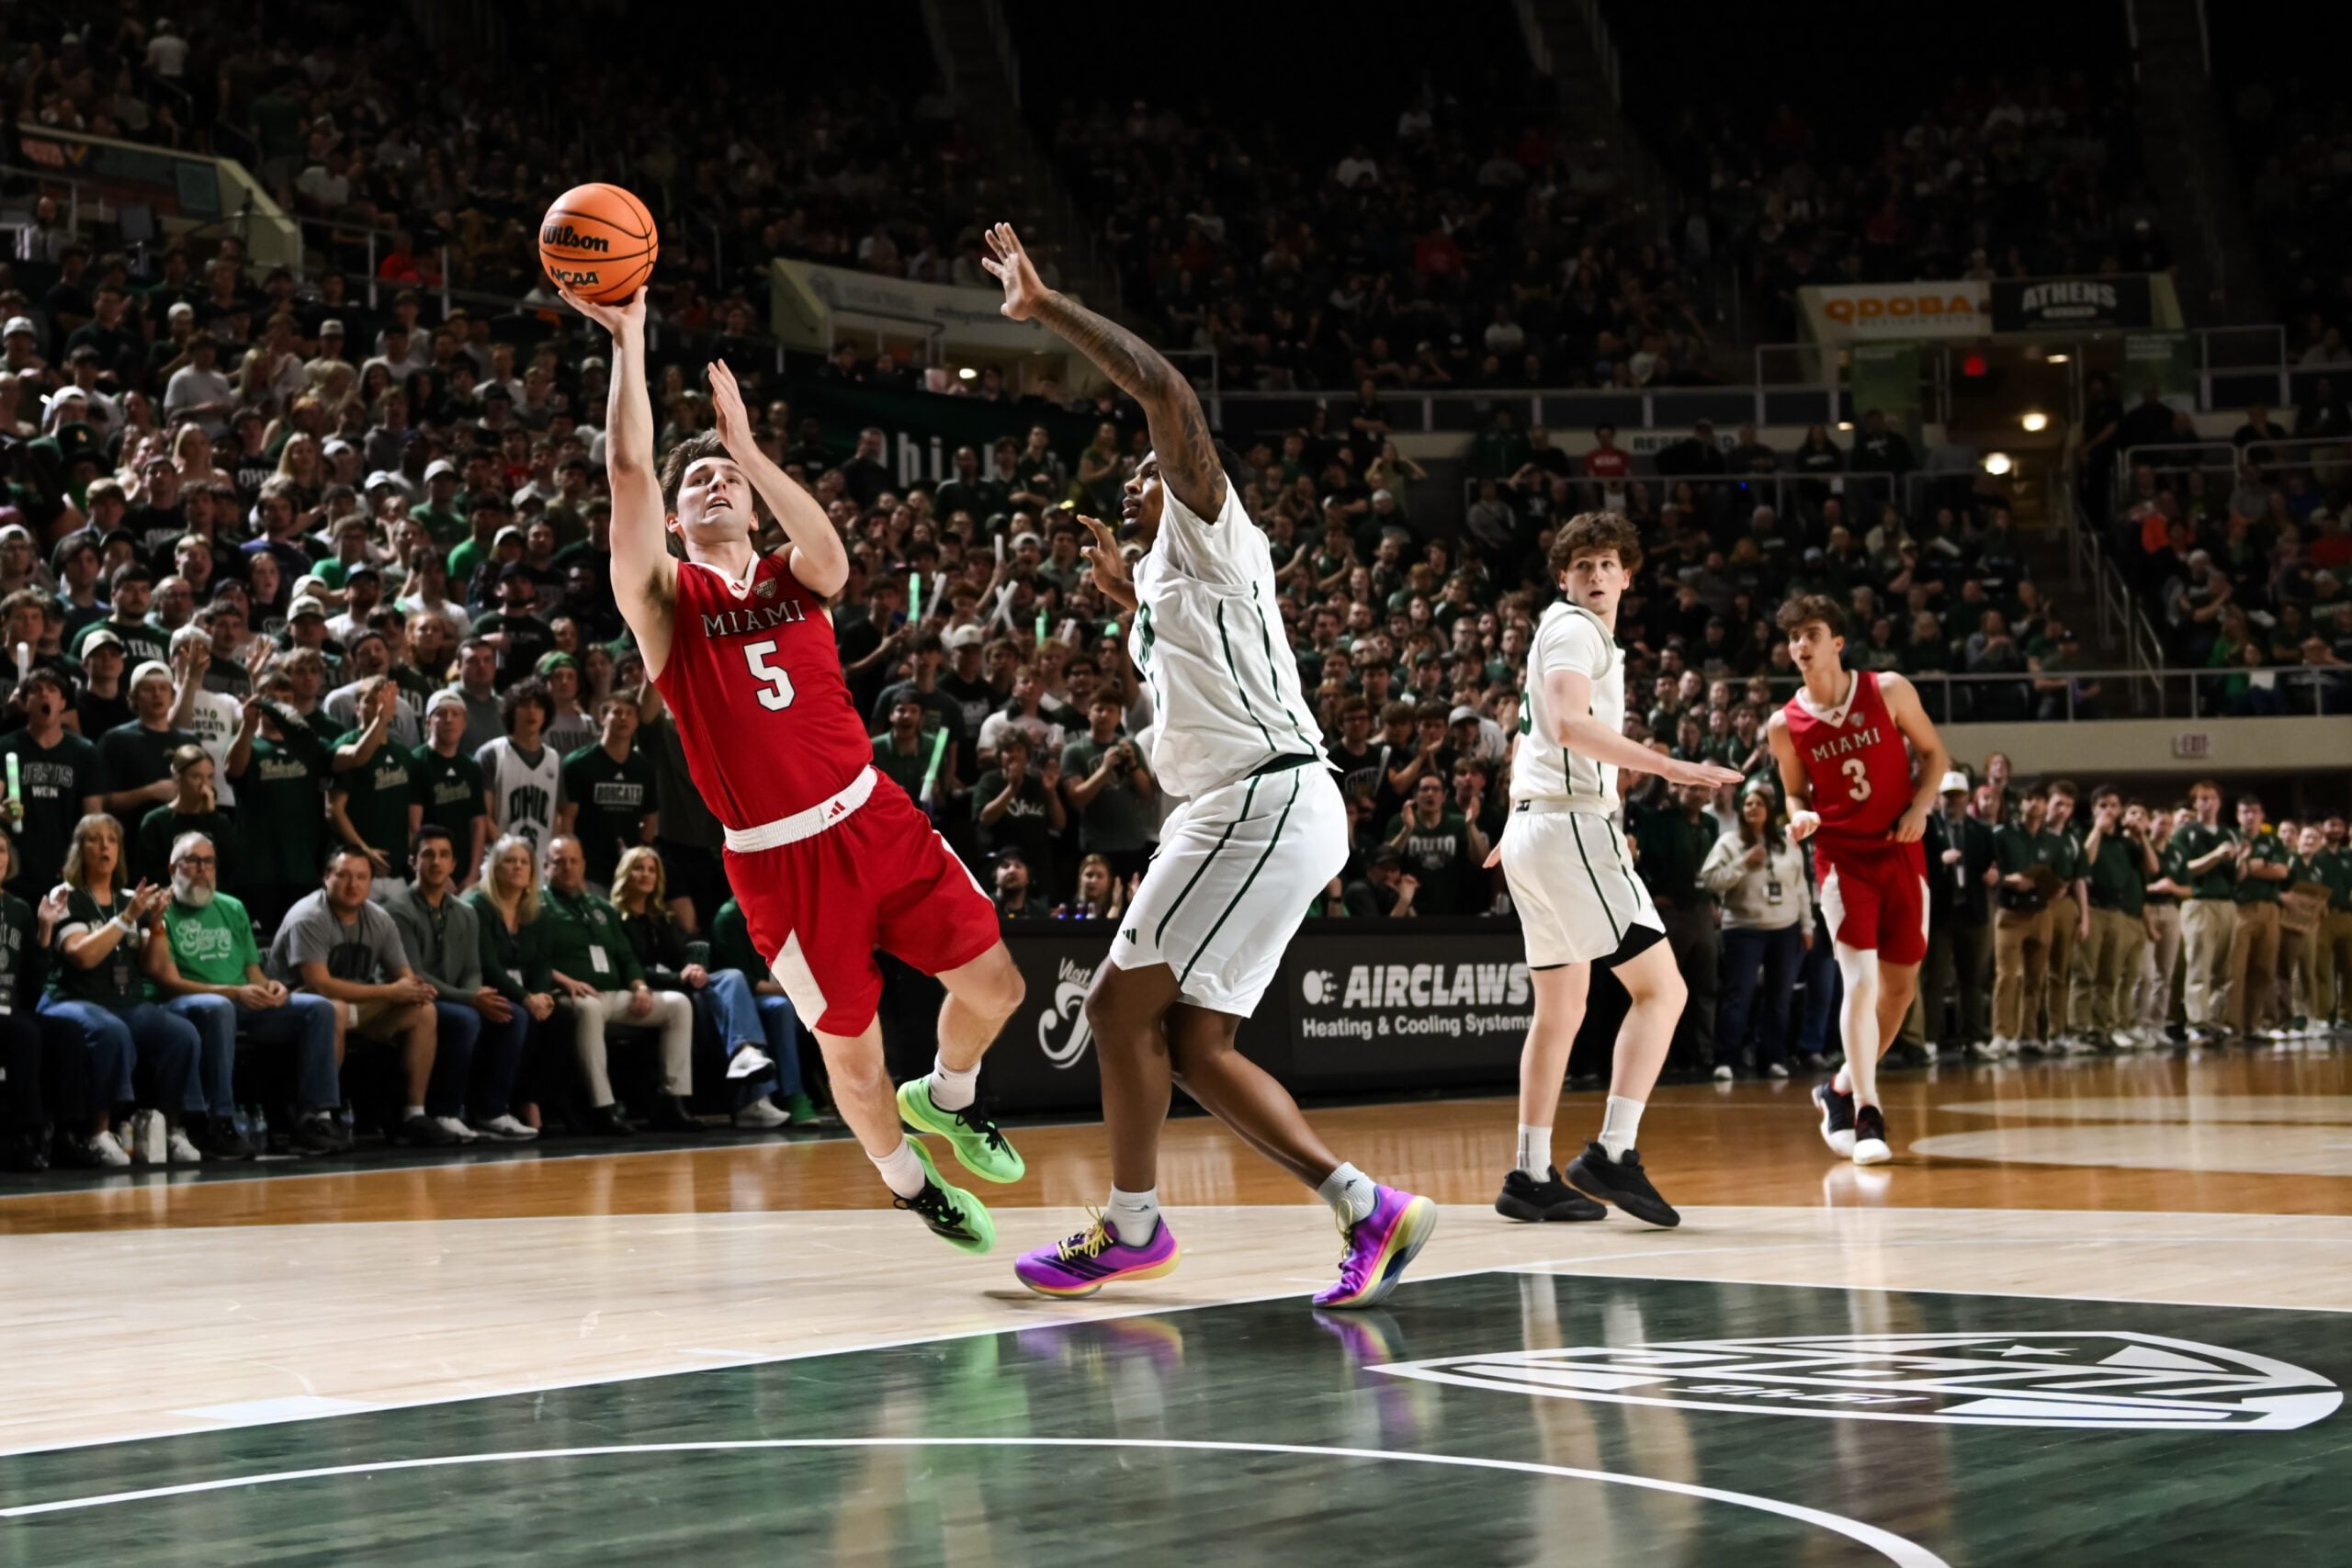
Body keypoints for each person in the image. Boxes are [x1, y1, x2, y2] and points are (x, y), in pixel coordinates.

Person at [971, 222, 1432, 1306]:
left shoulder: (1212, 532)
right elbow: (1198, 671)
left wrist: (1047, 309)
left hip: (1260, 800)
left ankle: (1135, 1227)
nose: (1144, 471)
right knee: (1189, 1043)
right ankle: (1371, 1209)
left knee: (1115, 1016)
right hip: (1252, 806)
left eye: (1151, 467)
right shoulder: (1167, 587)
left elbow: (1167, 394)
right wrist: (1131, 605)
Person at [567, 279, 1023, 1254]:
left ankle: (948, 1099)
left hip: (874, 815)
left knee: (998, 989)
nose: (714, 487)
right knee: (852, 1063)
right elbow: (628, 471)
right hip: (781, 861)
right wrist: (631, 334)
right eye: (699, 486)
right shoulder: (663, 600)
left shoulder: (790, 574)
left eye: (722, 481)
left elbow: (834, 557)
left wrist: (750, 452)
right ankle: (908, 1183)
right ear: (680, 524)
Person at [1487, 513, 1742, 1228]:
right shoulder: (1574, 629)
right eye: (1581, 565)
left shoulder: (1561, 630)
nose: (1595, 575)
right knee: (1664, 990)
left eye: (1606, 563)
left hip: (1537, 825)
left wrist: (1515, 821)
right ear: (1563, 577)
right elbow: (1566, 722)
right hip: (1569, 824)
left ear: (1628, 574)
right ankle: (1613, 1150)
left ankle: (1530, 1173)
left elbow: (1530, 727)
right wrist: (1671, 765)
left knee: (1561, 1009)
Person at [1768, 593, 1950, 1165]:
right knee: (1862, 983)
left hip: (1901, 852)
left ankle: (1838, 1086)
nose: (1801, 645)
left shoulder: (1887, 689)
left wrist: (1921, 806)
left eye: (1812, 633)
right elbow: (1794, 791)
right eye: (1794, 636)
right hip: (1843, 860)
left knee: (1900, 991)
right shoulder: (1784, 723)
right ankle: (1867, 1110)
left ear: (1837, 642)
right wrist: (1797, 814)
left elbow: (1935, 755)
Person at [146, 830, 349, 1156]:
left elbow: (253, 972)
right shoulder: (160, 910)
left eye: (209, 862)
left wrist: (271, 987)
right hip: (184, 1005)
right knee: (219, 1008)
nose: (202, 868)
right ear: (173, 870)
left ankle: (313, 1117)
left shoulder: (233, 907)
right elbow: (169, 983)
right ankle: (218, 1122)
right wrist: (235, 992)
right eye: (193, 861)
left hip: (240, 1001)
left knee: (320, 1008)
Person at [267, 844, 459, 1147]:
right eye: (343, 875)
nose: (353, 884)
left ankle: (414, 1115)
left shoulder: (379, 919)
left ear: (371, 882)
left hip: (353, 1006)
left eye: (361, 877)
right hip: (293, 1007)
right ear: (326, 878)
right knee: (335, 1008)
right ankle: (318, 1118)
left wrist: (414, 989)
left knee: (424, 1011)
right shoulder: (309, 916)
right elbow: (320, 985)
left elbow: (403, 975)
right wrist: (390, 991)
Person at [40, 813, 202, 1163]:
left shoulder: (129, 897)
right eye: (94, 839)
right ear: (79, 849)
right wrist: (127, 918)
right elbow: (82, 956)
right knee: (110, 1032)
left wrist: (156, 924)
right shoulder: (67, 895)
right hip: (71, 998)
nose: (104, 847)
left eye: (111, 840)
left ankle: (171, 1130)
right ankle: (97, 1133)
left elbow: (152, 967)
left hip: (125, 1000)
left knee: (181, 1034)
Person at [611, 846, 808, 1129]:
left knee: (731, 977)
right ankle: (752, 1099)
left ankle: (745, 1053)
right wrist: (680, 977)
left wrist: (695, 965)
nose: (646, 875)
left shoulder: (661, 918)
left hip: (686, 986)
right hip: (651, 991)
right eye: (639, 869)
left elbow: (693, 946)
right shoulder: (616, 918)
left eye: (652, 869)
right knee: (720, 1000)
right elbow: (628, 968)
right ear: (625, 875)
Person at [540, 833, 698, 1134]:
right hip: (571, 995)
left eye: (574, 861)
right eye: (560, 862)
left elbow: (626, 957)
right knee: (588, 1009)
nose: (568, 868)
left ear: (584, 865)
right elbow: (534, 959)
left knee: (678, 1004)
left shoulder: (602, 908)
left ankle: (672, 1101)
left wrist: (639, 986)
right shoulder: (537, 906)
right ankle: (603, 1108)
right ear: (546, 866)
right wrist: (567, 981)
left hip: (614, 994)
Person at [385, 825, 532, 1139]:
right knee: (465, 1019)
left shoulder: (466, 911)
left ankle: (493, 1111)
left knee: (513, 1014)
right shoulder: (397, 910)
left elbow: (473, 968)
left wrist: (473, 994)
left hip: (459, 997)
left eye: (444, 855)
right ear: (413, 862)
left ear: (454, 864)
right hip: (414, 998)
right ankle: (444, 1111)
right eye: (427, 855)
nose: (436, 862)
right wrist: (470, 999)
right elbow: (414, 973)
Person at [0, 831, 107, 1170]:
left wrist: (45, 931)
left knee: (67, 1032)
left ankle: (67, 1134)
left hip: (11, 1009)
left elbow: (32, 987)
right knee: (23, 1033)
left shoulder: (17, 909)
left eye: (2, 850)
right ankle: (24, 1136)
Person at [1702, 784, 1812, 1080]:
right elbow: (1710, 879)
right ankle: (1726, 1059)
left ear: (1769, 810)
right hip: (1743, 928)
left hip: (1785, 929)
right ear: (1742, 810)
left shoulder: (1787, 844)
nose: (1753, 809)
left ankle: (1773, 1057)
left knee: (1779, 997)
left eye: (1759, 804)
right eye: (1748, 804)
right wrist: (1743, 863)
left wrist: (1807, 925)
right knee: (1739, 995)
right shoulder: (1729, 842)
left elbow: (1801, 887)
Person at [464, 833, 556, 1134]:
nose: (517, 867)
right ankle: (492, 1109)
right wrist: (527, 998)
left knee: (563, 1015)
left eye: (523, 861)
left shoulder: (535, 910)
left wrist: (541, 994)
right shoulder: (478, 904)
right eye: (509, 861)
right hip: (487, 990)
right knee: (515, 1014)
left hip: (526, 992)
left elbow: (543, 961)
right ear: (494, 868)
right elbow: (488, 965)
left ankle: (530, 1100)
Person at [0, 669, 100, 899]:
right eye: (36, 690)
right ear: (25, 703)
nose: (44, 695)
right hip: (16, 871)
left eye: (52, 690)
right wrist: (3, 812)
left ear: (63, 702)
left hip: (66, 870)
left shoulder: (84, 752)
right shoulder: (6, 747)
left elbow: (93, 817)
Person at [2078, 787, 2160, 1050]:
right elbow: (2084, 862)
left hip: (2119, 911)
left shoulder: (2125, 843)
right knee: (2084, 973)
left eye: (2114, 806)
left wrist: (2142, 837)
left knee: (2109, 976)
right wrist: (2098, 831)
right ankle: (2079, 1029)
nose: (2109, 811)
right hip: (2093, 908)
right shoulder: (2086, 834)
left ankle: (2104, 1028)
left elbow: (2153, 867)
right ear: (2094, 809)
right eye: (2103, 805)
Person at [1919, 770, 1994, 1055]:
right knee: (1935, 979)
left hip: (1972, 913)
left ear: (1967, 798)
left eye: (1958, 796)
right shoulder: (1927, 827)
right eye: (1948, 796)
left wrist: (1994, 875)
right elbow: (1918, 866)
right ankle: (1930, 1039)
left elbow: (1993, 863)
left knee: (1972, 978)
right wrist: (1939, 860)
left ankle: (1973, 1038)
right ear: (1940, 798)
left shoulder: (1981, 831)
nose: (1954, 801)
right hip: (1941, 913)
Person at [1988, 790, 2060, 1056]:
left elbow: (2060, 873)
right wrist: (2010, 880)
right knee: (2007, 976)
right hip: (2011, 912)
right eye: (2031, 798)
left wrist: (2056, 887)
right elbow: (1990, 872)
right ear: (2021, 804)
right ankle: (2001, 1034)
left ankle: (2028, 1035)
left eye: (2041, 799)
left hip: (2041, 911)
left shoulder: (2052, 840)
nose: (2036, 803)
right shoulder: (2002, 834)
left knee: (2036, 977)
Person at [560, 694, 657, 889]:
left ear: (637, 722)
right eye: (617, 712)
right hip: (589, 872)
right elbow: (566, 819)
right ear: (602, 717)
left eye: (630, 713)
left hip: (628, 874)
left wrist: (640, 859)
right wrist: (573, 865)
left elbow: (650, 819)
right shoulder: (578, 764)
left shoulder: (645, 768)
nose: (624, 718)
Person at [2172, 780, 2243, 1044]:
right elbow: (2184, 869)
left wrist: (2241, 862)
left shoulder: (2230, 833)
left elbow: (2236, 874)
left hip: (2226, 902)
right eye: (2201, 799)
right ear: (2195, 804)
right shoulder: (2185, 833)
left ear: (2220, 802)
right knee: (2199, 963)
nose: (2207, 803)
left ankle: (2215, 1019)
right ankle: (2197, 1022)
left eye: (2212, 798)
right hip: (2199, 903)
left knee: (2223, 967)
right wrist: (2215, 856)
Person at [2227, 793, 2291, 1042]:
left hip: (2269, 909)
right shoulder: (2231, 838)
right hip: (2240, 908)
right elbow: (2235, 874)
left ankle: (2254, 1025)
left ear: (2262, 815)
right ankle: (2233, 1026)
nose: (2250, 816)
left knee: (2264, 968)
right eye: (2245, 812)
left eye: (2254, 811)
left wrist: (2251, 866)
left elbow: (2281, 871)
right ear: (2237, 816)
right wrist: (2260, 866)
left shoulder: (2272, 841)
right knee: (2236, 970)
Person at [477, 677, 565, 858]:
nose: (532, 711)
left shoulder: (554, 758)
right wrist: (511, 853)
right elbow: (483, 816)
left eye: (538, 706)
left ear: (546, 714)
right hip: (500, 860)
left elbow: (557, 816)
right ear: (512, 711)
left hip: (540, 863)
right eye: (524, 705)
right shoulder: (491, 753)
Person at [412, 690, 491, 884]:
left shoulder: (471, 767)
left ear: (464, 723)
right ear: (428, 721)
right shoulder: (416, 762)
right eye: (441, 713)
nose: (449, 719)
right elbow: (414, 825)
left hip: (465, 871)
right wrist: (439, 875)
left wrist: (473, 874)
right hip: (431, 869)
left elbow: (478, 824)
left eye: (455, 714)